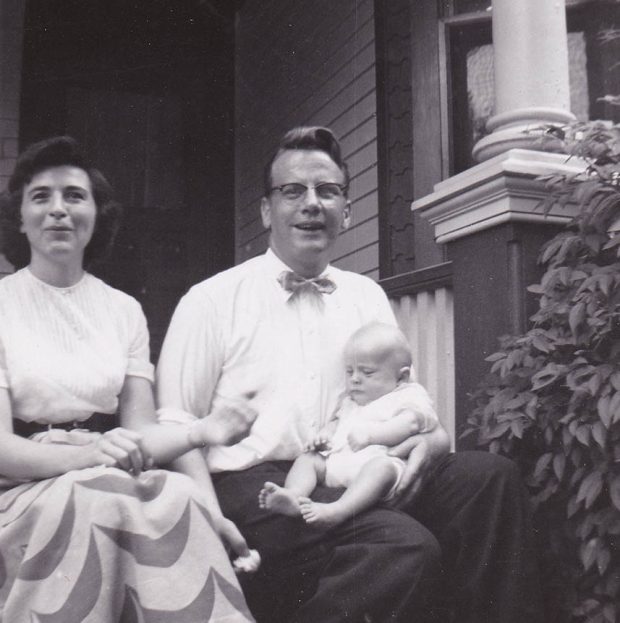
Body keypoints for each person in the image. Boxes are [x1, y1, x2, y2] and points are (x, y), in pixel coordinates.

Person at [156, 126, 544, 623]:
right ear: (265, 211)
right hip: (254, 486)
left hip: (346, 465)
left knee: (490, 478)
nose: (312, 203)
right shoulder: (211, 300)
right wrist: (209, 517)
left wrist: (430, 442)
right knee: (404, 546)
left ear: (348, 209)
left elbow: (403, 399)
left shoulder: (366, 296)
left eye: (328, 190)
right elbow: (175, 424)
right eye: (292, 191)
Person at [0, 136, 257, 622]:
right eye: (42, 197)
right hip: (19, 489)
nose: (59, 209)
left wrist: (202, 431)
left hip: (109, 475)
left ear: (97, 215)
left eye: (75, 196)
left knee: (179, 495)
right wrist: (84, 456)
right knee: (94, 497)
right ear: (19, 217)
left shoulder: (123, 311)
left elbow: (139, 432)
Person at [258, 322, 437, 528]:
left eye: (367, 373)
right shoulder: (351, 402)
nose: (355, 380)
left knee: (381, 468)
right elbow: (336, 424)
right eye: (349, 371)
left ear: (401, 377)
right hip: (340, 465)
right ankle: (293, 496)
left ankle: (338, 511)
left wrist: (373, 436)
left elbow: (412, 423)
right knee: (309, 459)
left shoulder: (407, 395)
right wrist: (323, 437)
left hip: (379, 464)